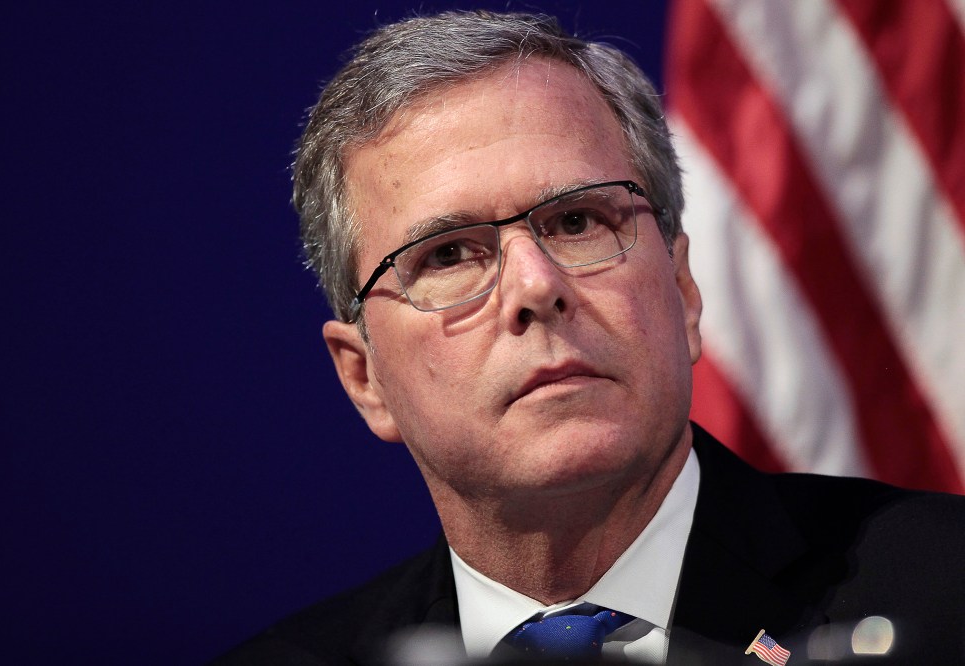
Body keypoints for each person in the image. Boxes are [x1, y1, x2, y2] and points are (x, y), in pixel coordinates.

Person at [215, 10, 965, 665]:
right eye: (447, 254)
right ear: (364, 377)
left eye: (577, 222)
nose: (538, 286)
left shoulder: (943, 600)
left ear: (684, 292)